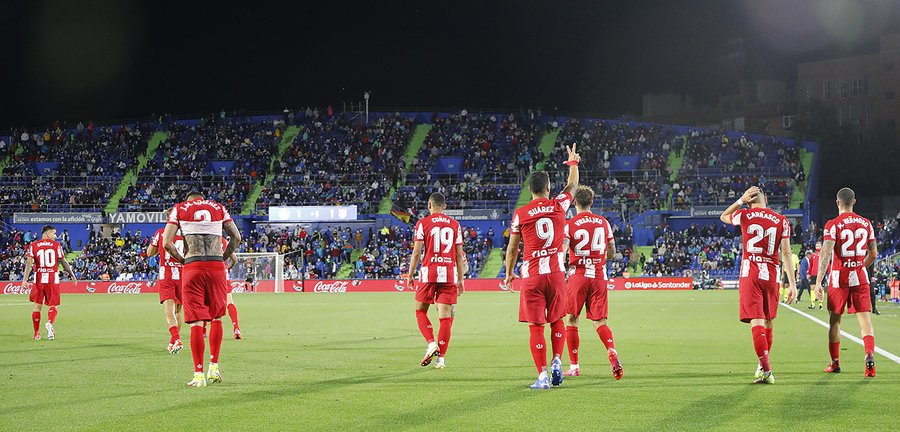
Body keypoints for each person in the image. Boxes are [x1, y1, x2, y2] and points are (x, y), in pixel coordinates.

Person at [503, 144, 580, 389]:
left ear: (529, 190)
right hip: (556, 273)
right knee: (557, 319)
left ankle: (543, 375)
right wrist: (573, 164)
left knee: (536, 326)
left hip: (533, 275)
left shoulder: (521, 213)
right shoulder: (558, 205)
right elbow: (572, 187)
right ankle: (558, 360)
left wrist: (508, 274)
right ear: (548, 189)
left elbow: (513, 248)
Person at [164, 191, 242, 387]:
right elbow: (236, 238)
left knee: (196, 323)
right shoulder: (218, 207)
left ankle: (198, 375)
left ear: (189, 199)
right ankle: (214, 367)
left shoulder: (179, 209)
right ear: (202, 199)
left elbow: (167, 243)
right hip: (216, 266)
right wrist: (222, 259)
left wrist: (184, 261)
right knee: (217, 317)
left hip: (193, 266)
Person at [720, 186, 796, 384]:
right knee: (769, 322)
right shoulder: (782, 220)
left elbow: (723, 216)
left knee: (757, 322)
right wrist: (793, 285)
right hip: (772, 275)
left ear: (749, 200)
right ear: (766, 199)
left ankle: (767, 371)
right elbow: (787, 254)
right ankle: (762, 366)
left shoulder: (744, 215)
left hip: (751, 273)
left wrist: (739, 200)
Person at [813, 188, 878, 377]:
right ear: (854, 202)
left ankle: (835, 363)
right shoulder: (866, 223)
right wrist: (860, 267)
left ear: (837, 203)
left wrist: (818, 282)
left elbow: (826, 253)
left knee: (835, 322)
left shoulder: (833, 224)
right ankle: (869, 357)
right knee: (865, 319)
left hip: (838, 278)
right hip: (860, 277)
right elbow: (873, 253)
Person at [560, 186, 622, 380]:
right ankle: (611, 349)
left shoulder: (570, 224)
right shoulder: (603, 223)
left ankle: (575, 366)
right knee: (600, 321)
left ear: (574, 203)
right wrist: (603, 257)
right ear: (592, 202)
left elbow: (562, 252)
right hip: (598, 275)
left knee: (571, 319)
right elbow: (612, 250)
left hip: (578, 275)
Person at [407, 192, 465, 369]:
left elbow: (417, 252)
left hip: (429, 273)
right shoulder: (455, 225)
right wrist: (461, 280)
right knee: (446, 317)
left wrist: (410, 274)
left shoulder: (422, 223)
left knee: (420, 311)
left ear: (429, 205)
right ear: (445, 207)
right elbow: (459, 256)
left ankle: (431, 343)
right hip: (449, 274)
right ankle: (441, 360)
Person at [21, 225, 78, 341]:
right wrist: (72, 274)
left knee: (37, 307)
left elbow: (29, 263)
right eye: (54, 233)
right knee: (53, 305)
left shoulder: (33, 246)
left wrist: (25, 280)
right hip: (52, 279)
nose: (55, 236)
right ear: (47, 233)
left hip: (39, 279)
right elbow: (64, 262)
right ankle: (50, 323)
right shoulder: (56, 246)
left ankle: (36, 333)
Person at [147, 210, 185, 354]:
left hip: (167, 275)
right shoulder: (186, 235)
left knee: (169, 311)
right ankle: (173, 342)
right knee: (178, 312)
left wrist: (159, 250)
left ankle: (176, 339)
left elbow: (149, 253)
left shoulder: (162, 232)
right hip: (182, 276)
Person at [223, 236, 242, 340]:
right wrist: (227, 268)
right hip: (223, 273)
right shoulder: (224, 242)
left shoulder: (208, 240)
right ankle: (236, 328)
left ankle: (203, 330)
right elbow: (234, 259)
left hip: (211, 273)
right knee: (229, 302)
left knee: (208, 303)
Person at [808, 241, 824, 309]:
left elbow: (827, 265)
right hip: (813, 274)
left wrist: (829, 272)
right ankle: (812, 303)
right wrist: (809, 273)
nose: (818, 246)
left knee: (821, 289)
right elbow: (811, 265)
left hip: (820, 274)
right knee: (812, 288)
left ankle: (820, 304)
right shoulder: (813, 255)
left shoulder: (823, 255)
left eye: (819, 245)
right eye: (817, 245)